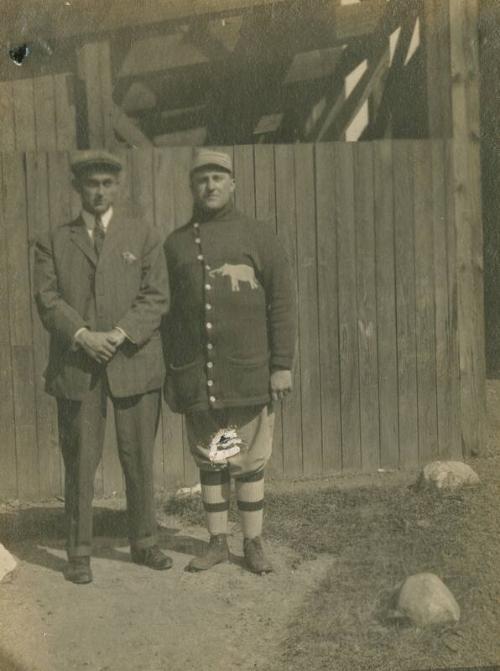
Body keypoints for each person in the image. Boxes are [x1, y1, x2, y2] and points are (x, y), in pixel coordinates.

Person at [34, 150, 172, 584]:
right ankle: (78, 553)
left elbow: (156, 297)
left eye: (107, 184)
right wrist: (82, 336)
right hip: (78, 365)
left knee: (138, 458)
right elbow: (48, 299)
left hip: (133, 360)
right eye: (91, 183)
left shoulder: (144, 235)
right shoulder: (53, 240)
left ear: (119, 186)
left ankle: (145, 541)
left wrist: (119, 334)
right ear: (78, 188)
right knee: (79, 460)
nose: (99, 191)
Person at [163, 149, 297, 574]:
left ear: (233, 184)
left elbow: (281, 302)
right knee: (214, 456)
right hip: (201, 376)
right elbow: (168, 315)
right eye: (202, 178)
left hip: (248, 370)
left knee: (249, 458)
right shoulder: (177, 243)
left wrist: (281, 364)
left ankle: (253, 542)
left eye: (219, 177)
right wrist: (174, 371)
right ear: (192, 187)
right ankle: (217, 541)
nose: (211, 185)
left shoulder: (259, 236)